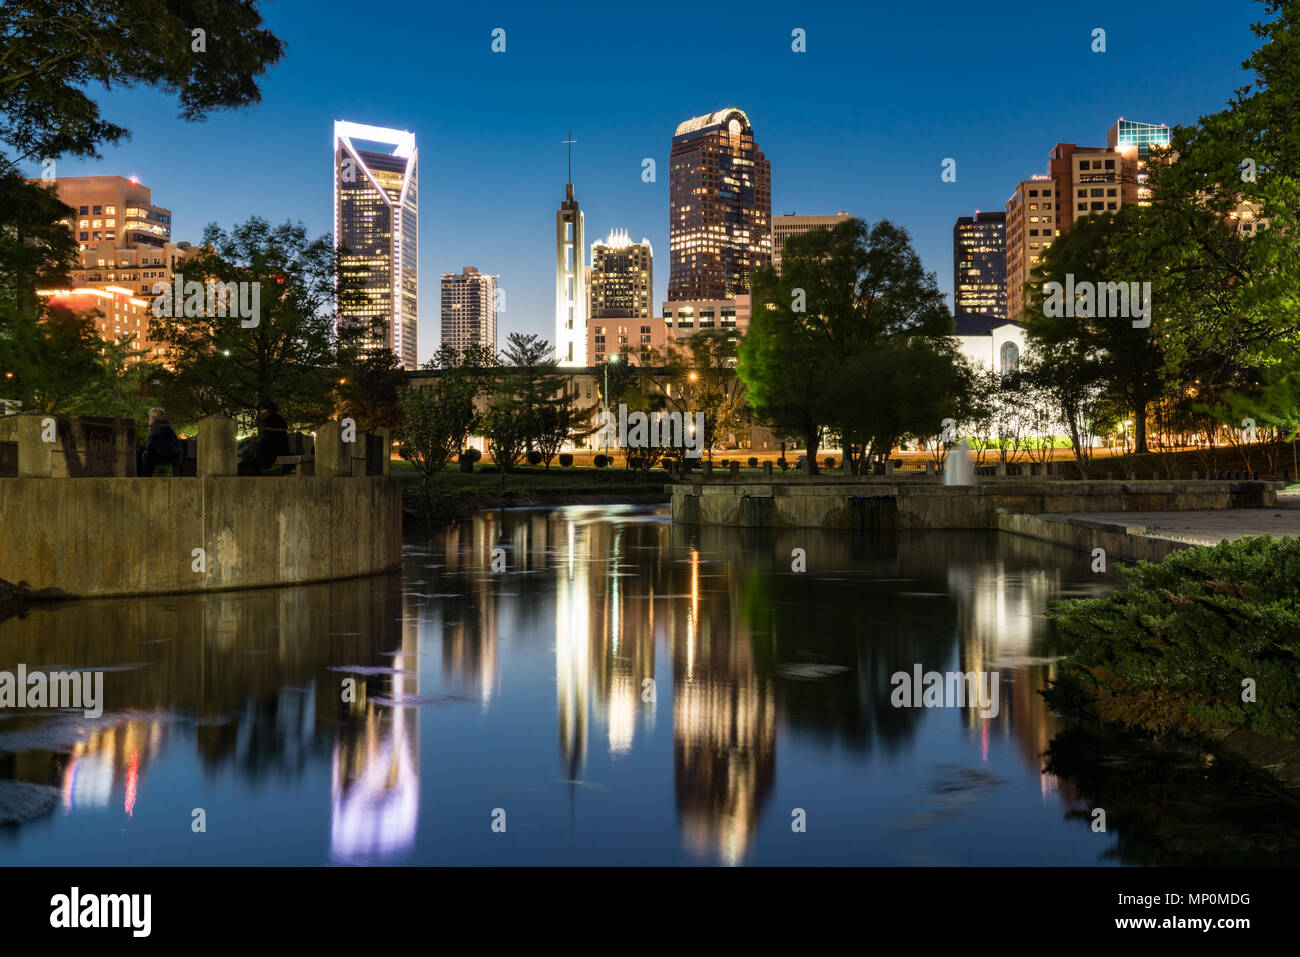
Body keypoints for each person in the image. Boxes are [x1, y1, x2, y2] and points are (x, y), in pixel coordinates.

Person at [141, 407, 183, 477]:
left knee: (145, 456)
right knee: (148, 455)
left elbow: (153, 436)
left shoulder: (159, 421)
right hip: (175, 452)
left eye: (150, 416)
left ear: (153, 416)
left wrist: (147, 449)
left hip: (169, 453)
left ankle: (145, 480)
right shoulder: (164, 421)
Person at [256, 400, 291, 471]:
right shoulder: (270, 420)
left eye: (262, 412)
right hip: (273, 448)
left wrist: (259, 444)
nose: (260, 414)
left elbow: (272, 438)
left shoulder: (274, 420)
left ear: (269, 411)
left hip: (276, 449)